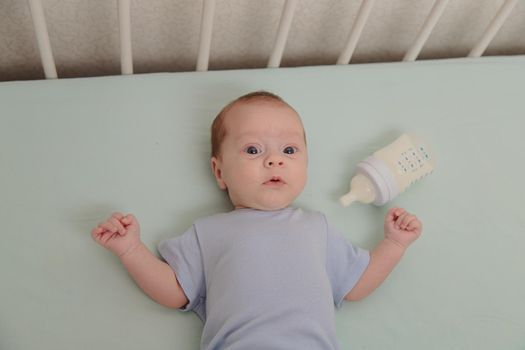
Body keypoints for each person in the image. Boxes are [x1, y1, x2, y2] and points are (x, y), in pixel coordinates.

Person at [91, 91, 422, 349]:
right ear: (220, 172)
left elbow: (356, 285)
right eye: (253, 150)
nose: (274, 160)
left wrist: (393, 245)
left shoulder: (316, 227)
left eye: (289, 151)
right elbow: (175, 292)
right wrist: (131, 251)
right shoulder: (208, 232)